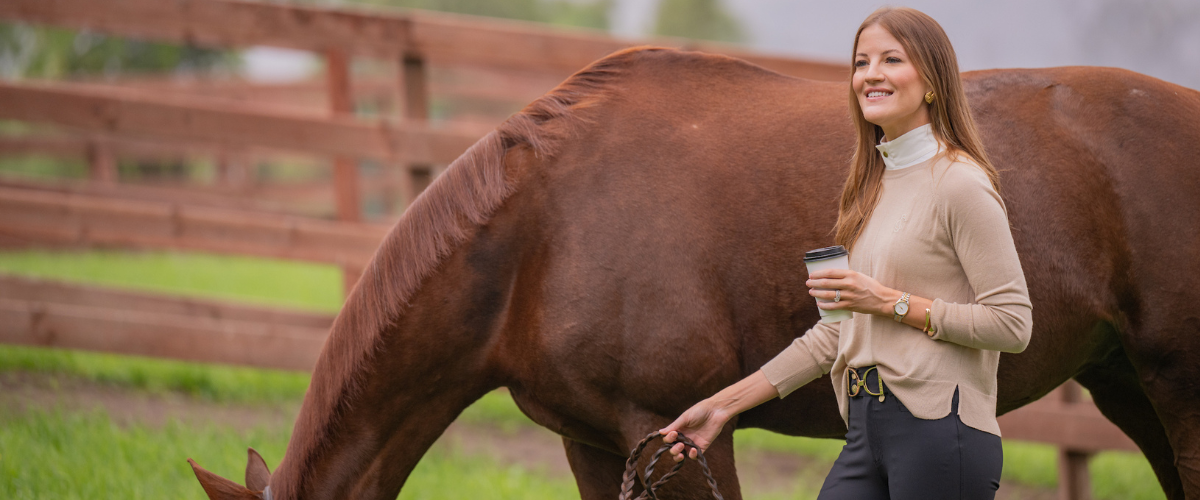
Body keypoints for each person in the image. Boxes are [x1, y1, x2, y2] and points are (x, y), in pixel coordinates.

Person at [658, 6, 1033, 500]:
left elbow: (1012, 324)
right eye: (861, 62)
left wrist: (887, 302)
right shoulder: (871, 189)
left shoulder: (960, 183)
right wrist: (724, 407)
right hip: (864, 431)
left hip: (941, 434)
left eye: (891, 60)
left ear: (932, 81)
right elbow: (835, 335)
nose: (871, 74)